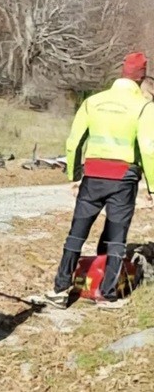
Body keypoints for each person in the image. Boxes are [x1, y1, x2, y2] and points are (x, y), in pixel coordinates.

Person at [45, 52, 154, 309]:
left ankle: (60, 289)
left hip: (92, 175)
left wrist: (74, 174)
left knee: (76, 233)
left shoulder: (93, 101)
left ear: (121, 73)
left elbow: (74, 141)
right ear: (141, 79)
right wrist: (152, 186)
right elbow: (149, 149)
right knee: (117, 237)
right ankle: (107, 295)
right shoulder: (144, 107)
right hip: (123, 178)